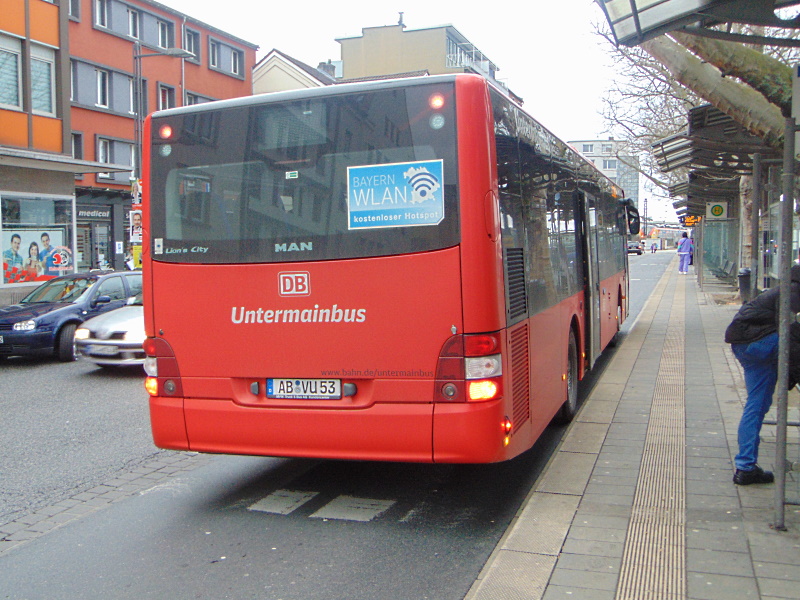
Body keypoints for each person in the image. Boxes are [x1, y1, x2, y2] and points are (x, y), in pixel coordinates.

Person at [724, 263, 800, 485]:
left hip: (744, 344)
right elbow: (790, 339)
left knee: (756, 405)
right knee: (757, 405)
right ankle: (745, 466)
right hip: (758, 342)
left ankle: (745, 466)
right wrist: (791, 376)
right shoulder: (792, 294)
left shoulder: (783, 289)